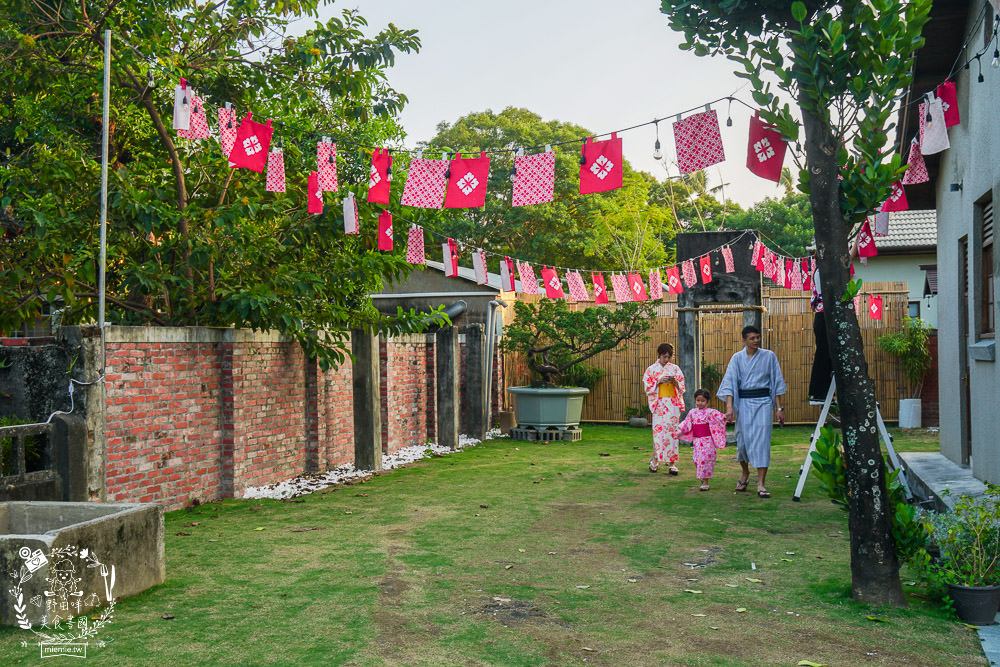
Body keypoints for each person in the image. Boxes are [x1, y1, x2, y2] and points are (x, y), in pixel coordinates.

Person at [717, 325, 786, 498]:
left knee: (762, 441)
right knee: (743, 442)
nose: (756, 341)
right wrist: (729, 408)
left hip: (763, 402)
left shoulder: (769, 356)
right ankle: (745, 472)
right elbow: (730, 383)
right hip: (744, 404)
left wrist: (779, 408)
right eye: (752, 338)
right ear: (744, 340)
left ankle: (761, 483)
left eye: (757, 337)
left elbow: (776, 382)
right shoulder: (737, 358)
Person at [642, 342, 686, 474]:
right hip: (660, 404)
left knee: (673, 433)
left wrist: (675, 382)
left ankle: (672, 464)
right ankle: (655, 461)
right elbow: (647, 387)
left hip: (672, 404)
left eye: (669, 357)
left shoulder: (675, 369)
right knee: (659, 434)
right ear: (659, 355)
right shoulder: (651, 369)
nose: (666, 359)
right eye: (664, 356)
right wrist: (658, 381)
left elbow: (682, 387)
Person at [677, 389, 727, 491]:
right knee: (697, 460)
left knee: (705, 459)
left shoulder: (711, 412)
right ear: (695, 400)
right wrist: (679, 431)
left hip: (707, 440)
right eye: (698, 400)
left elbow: (720, 418)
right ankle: (703, 476)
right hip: (697, 440)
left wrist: (726, 416)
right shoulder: (692, 412)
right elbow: (686, 424)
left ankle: (705, 482)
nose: (700, 403)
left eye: (703, 400)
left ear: (707, 401)